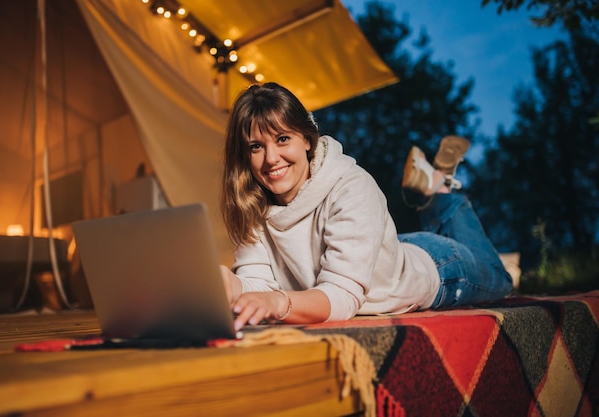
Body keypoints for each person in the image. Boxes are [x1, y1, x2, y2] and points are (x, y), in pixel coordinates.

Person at [219, 82, 512, 331]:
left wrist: (280, 302)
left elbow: (341, 298)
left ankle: (439, 188)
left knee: (499, 277)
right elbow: (258, 285)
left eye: (282, 139)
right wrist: (230, 286)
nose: (271, 159)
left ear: (307, 139)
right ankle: (433, 183)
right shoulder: (251, 203)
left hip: (437, 266)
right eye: (256, 146)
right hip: (375, 251)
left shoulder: (352, 186)